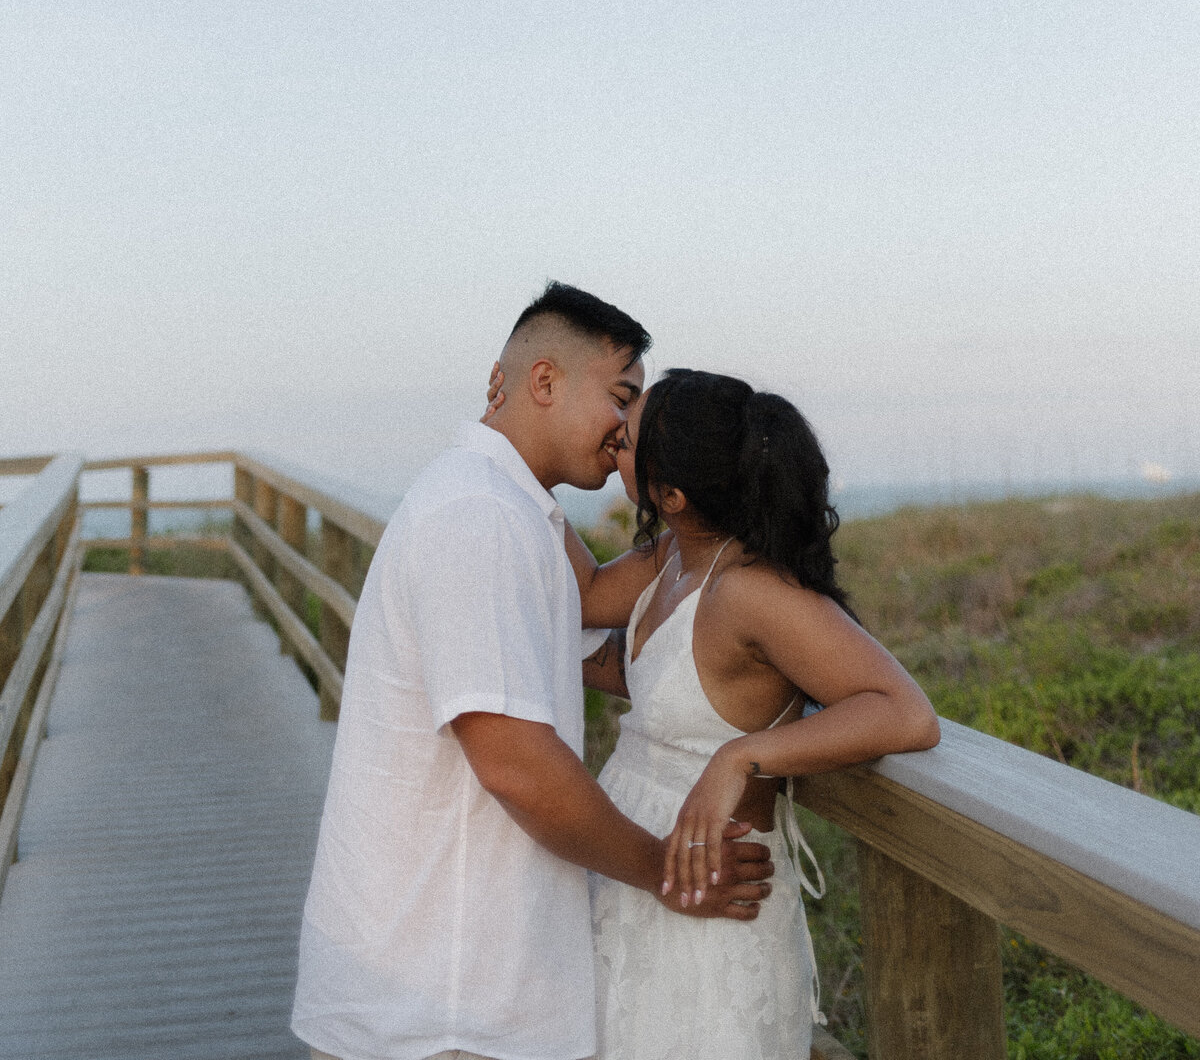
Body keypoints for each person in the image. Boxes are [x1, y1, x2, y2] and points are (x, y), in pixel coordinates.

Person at [292, 287, 776, 1060]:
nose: (627, 431)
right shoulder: (477, 519)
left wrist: (721, 501)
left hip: (453, 989)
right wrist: (665, 870)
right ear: (544, 382)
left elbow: (589, 610)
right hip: (442, 1006)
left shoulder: (510, 510)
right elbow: (517, 764)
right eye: (621, 397)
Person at [488, 364, 940, 1060]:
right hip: (635, 877)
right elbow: (580, 600)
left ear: (670, 493)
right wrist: (519, 455)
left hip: (711, 901)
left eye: (628, 439)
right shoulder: (674, 557)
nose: (614, 439)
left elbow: (905, 713)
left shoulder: (750, 591)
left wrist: (741, 756)